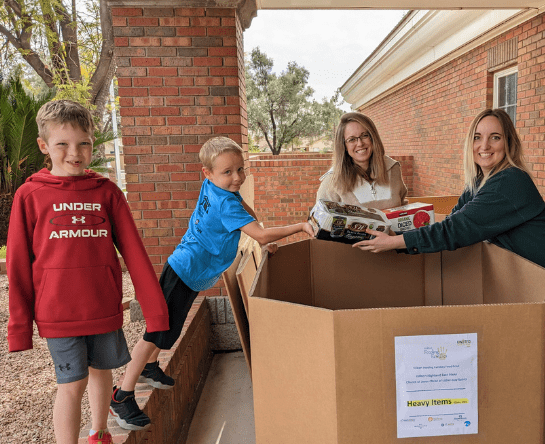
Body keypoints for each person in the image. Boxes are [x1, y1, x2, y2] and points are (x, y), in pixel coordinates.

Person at [354, 109, 545, 444]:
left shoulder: (511, 181)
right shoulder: (480, 184)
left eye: (495, 137)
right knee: (520, 384)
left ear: (508, 142)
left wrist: (396, 242)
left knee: (528, 387)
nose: (485, 145)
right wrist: (396, 224)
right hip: (524, 297)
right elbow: (451, 217)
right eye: (478, 137)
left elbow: (459, 230)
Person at [110, 136, 314, 430]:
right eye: (228, 172)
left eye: (240, 169)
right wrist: (299, 226)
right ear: (207, 173)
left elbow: (245, 208)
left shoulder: (214, 187)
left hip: (188, 270)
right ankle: (122, 395)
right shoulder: (224, 204)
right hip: (185, 270)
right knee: (155, 332)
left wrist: (262, 234)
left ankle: (151, 368)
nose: (237, 178)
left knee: (169, 328)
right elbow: (258, 233)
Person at [6, 100, 170, 444]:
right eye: (62, 144)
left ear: (93, 142)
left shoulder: (107, 192)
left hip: (103, 307)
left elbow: (135, 254)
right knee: (72, 383)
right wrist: (19, 329)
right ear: (44, 146)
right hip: (59, 313)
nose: (74, 153)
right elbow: (18, 264)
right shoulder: (29, 195)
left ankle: (99, 433)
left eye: (83, 143)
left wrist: (155, 312)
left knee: (102, 373)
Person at [316, 111, 407, 209]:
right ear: (344, 146)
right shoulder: (333, 180)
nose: (360, 143)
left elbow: (402, 208)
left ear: (373, 137)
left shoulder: (393, 169)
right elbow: (319, 220)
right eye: (352, 139)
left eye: (364, 135)